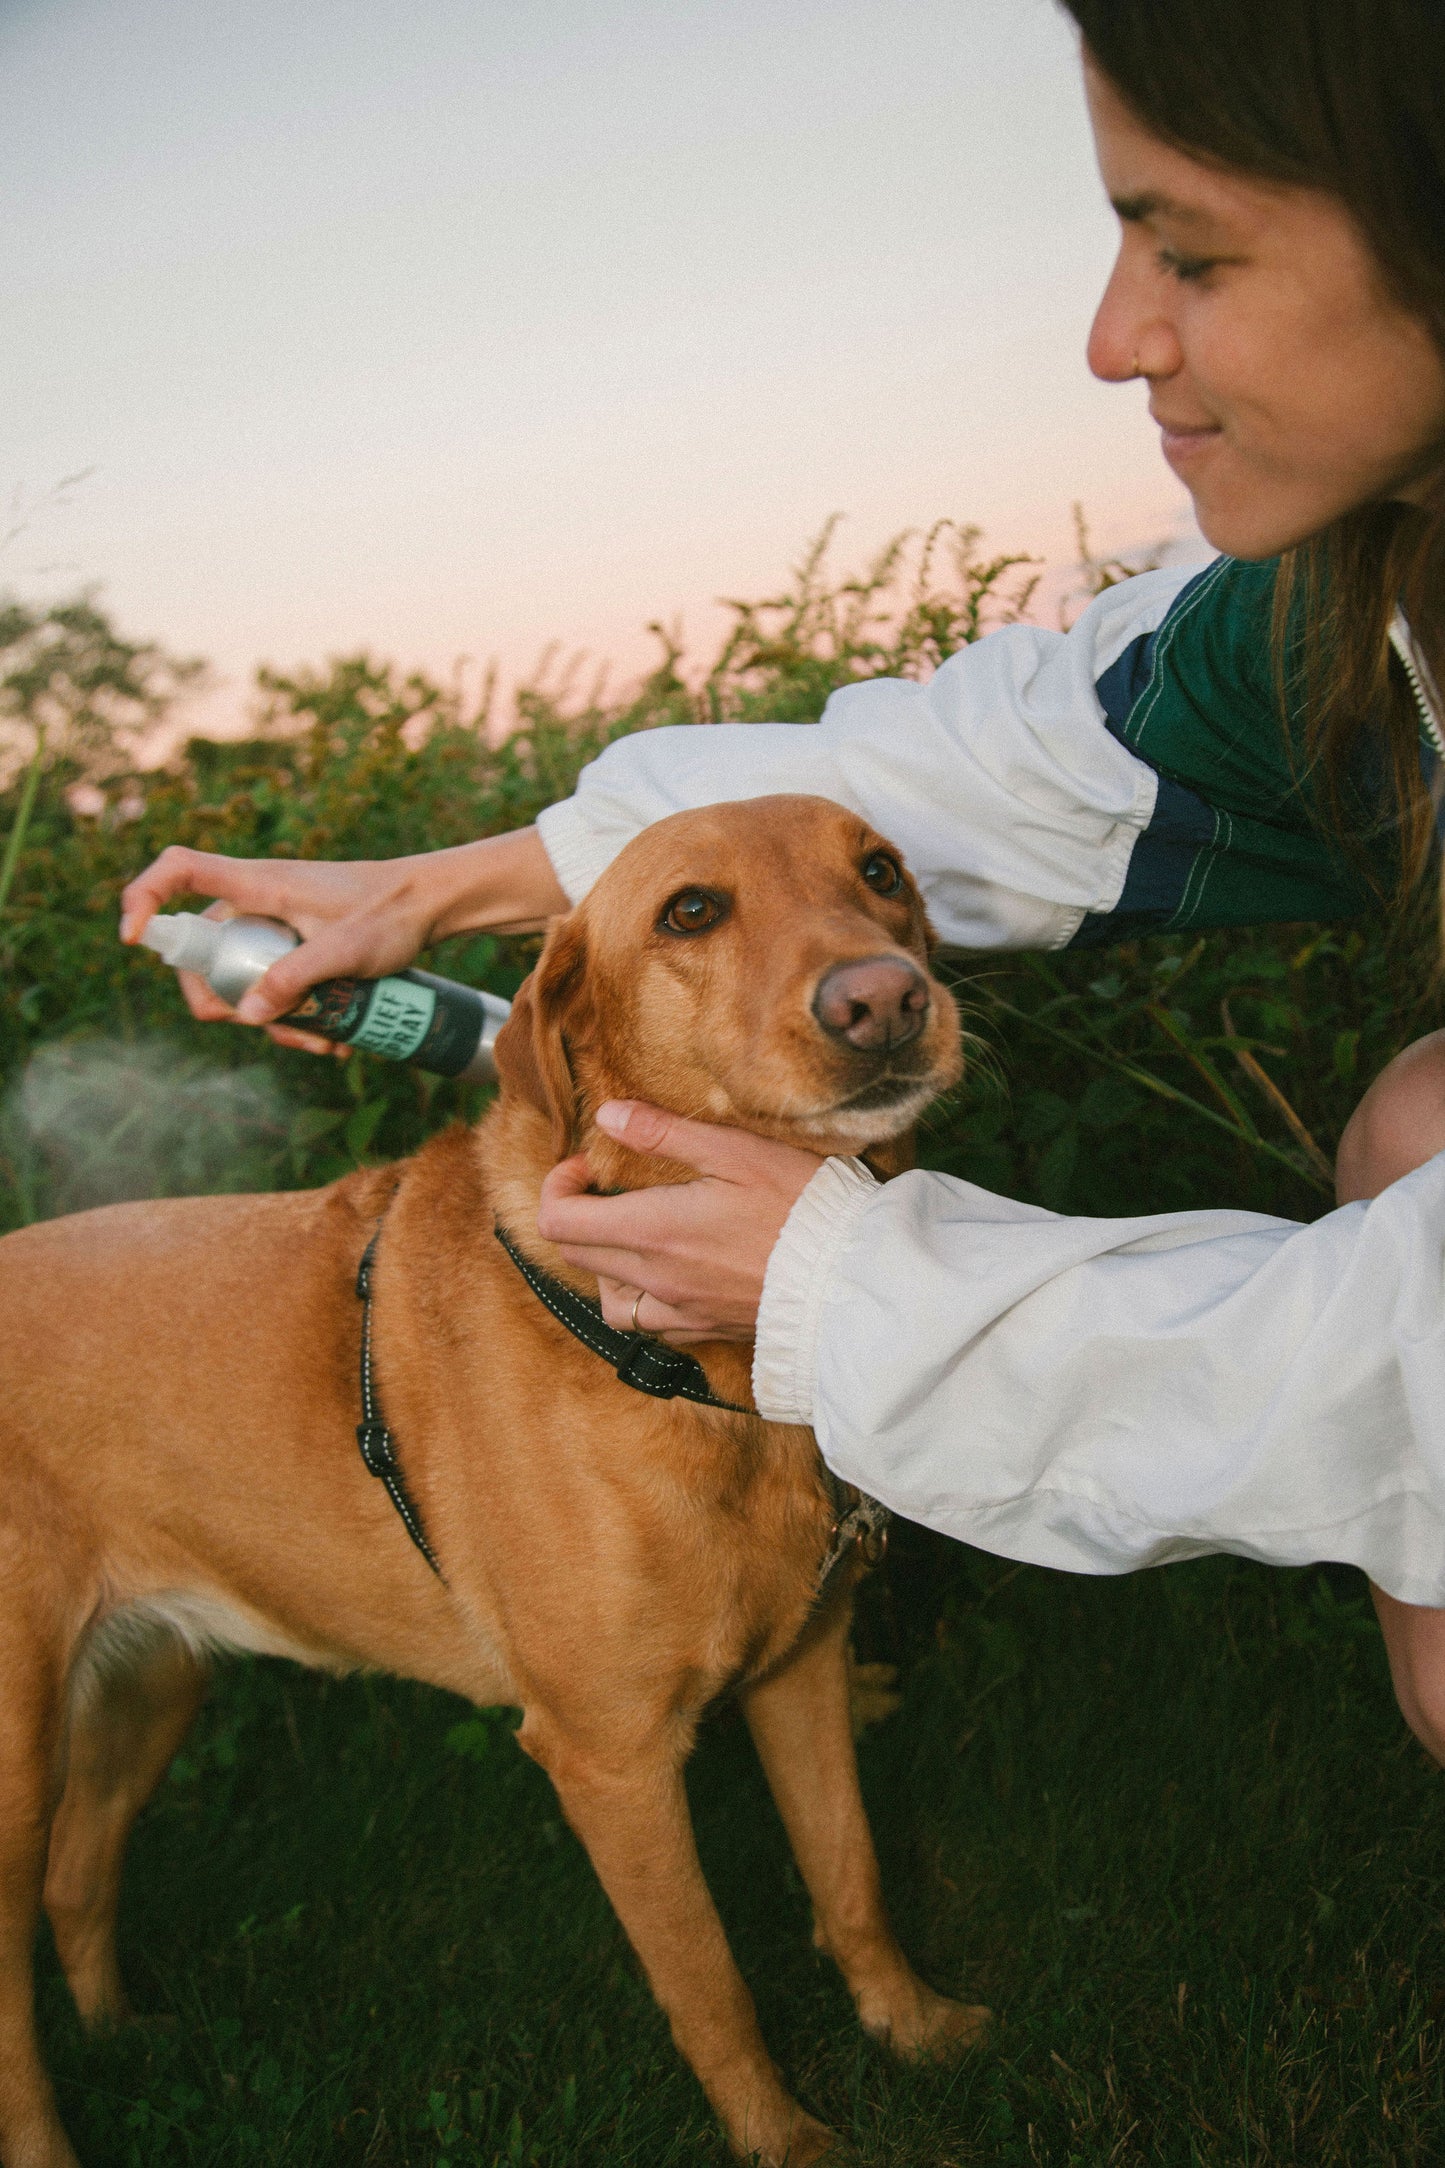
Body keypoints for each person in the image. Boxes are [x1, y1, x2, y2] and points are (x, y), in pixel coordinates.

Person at [121, 0, 1445, 1759]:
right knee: (1413, 1129)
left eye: (1188, 252)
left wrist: (849, 1289)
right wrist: (419, 898)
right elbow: (972, 768)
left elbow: (1396, 1355)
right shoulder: (1331, 603)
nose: (1113, 337)